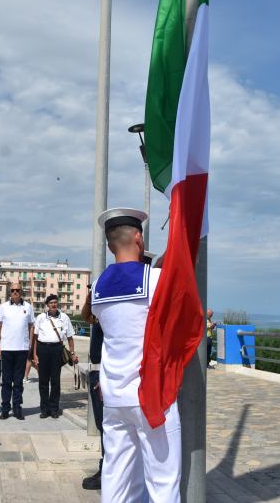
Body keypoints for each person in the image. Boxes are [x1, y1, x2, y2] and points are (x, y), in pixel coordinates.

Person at [82, 207, 180, 503]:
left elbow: (89, 314)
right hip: (151, 395)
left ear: (110, 245)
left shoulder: (98, 287)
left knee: (117, 476)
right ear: (138, 238)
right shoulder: (155, 279)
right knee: (162, 479)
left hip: (113, 396)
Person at [32, 294, 78, 418]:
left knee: (55, 381)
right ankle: (44, 409)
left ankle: (54, 409)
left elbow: (70, 337)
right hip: (43, 349)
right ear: (47, 305)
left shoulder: (64, 317)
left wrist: (72, 353)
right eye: (51, 303)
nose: (53, 304)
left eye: (55, 302)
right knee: (43, 381)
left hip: (57, 349)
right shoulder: (41, 317)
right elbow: (35, 338)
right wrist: (35, 354)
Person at [0, 281, 34, 420]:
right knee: (6, 381)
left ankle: (17, 408)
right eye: (13, 290)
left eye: (18, 290)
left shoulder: (28, 307)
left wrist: (29, 344)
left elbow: (31, 327)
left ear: (21, 292)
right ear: (9, 292)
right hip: (6, 348)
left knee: (18, 382)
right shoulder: (3, 307)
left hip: (21, 349)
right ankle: (5, 408)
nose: (15, 292)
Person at [81, 288, 104, 491]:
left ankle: (107, 470)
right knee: (102, 425)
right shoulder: (100, 312)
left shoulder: (111, 311)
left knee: (108, 428)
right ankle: (107, 468)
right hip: (97, 372)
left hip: (105, 374)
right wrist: (90, 299)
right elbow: (85, 317)